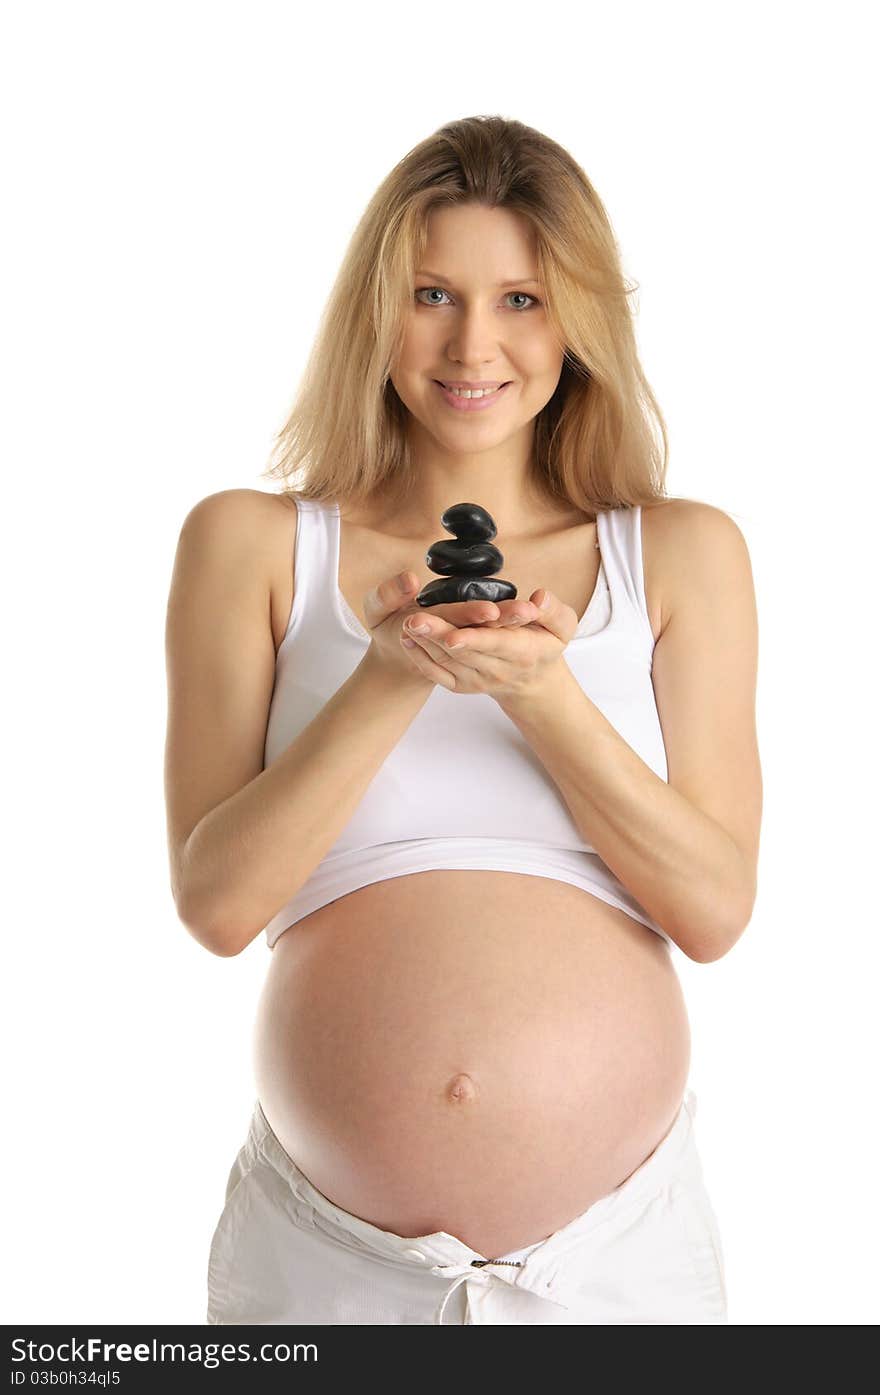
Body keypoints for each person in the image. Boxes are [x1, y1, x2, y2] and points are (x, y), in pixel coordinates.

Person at [163, 114, 762, 1325]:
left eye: (522, 300)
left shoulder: (683, 554)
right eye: (431, 293)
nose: (473, 343)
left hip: (616, 1264)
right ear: (373, 310)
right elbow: (219, 905)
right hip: (323, 1266)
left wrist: (545, 696)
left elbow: (713, 911)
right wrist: (391, 674)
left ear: (578, 320)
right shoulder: (253, 543)